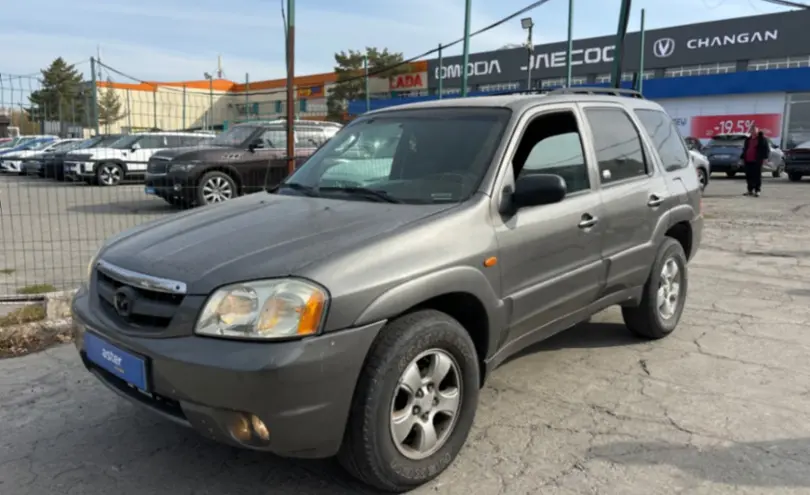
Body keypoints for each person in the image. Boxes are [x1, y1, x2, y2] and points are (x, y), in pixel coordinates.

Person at [740, 125, 771, 197]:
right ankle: (750, 190)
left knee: (757, 176)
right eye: (752, 130)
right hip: (747, 160)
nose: (753, 132)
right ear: (750, 131)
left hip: (757, 160)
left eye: (755, 130)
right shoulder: (748, 139)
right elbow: (745, 149)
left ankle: (757, 190)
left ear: (757, 131)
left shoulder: (762, 139)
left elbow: (766, 149)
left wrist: (765, 158)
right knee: (748, 176)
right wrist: (741, 157)